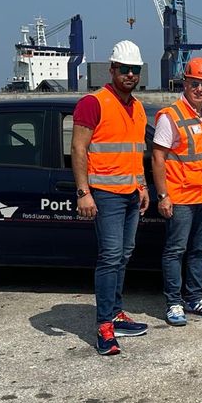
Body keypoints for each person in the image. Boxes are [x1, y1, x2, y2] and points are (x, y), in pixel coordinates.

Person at [71, 40, 150, 356]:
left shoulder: (138, 107)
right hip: (105, 195)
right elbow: (78, 149)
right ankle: (104, 325)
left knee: (124, 255)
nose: (130, 75)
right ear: (112, 69)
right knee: (110, 257)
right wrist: (83, 193)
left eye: (135, 70)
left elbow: (136, 152)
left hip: (131, 194)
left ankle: (116, 312)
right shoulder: (94, 103)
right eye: (125, 69)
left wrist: (142, 186)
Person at [152, 57, 202, 327]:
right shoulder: (170, 116)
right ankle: (173, 303)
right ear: (185, 83)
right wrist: (163, 196)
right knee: (175, 251)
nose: (199, 89)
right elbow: (158, 158)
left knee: (200, 249)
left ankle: (195, 297)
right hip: (180, 198)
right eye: (195, 83)